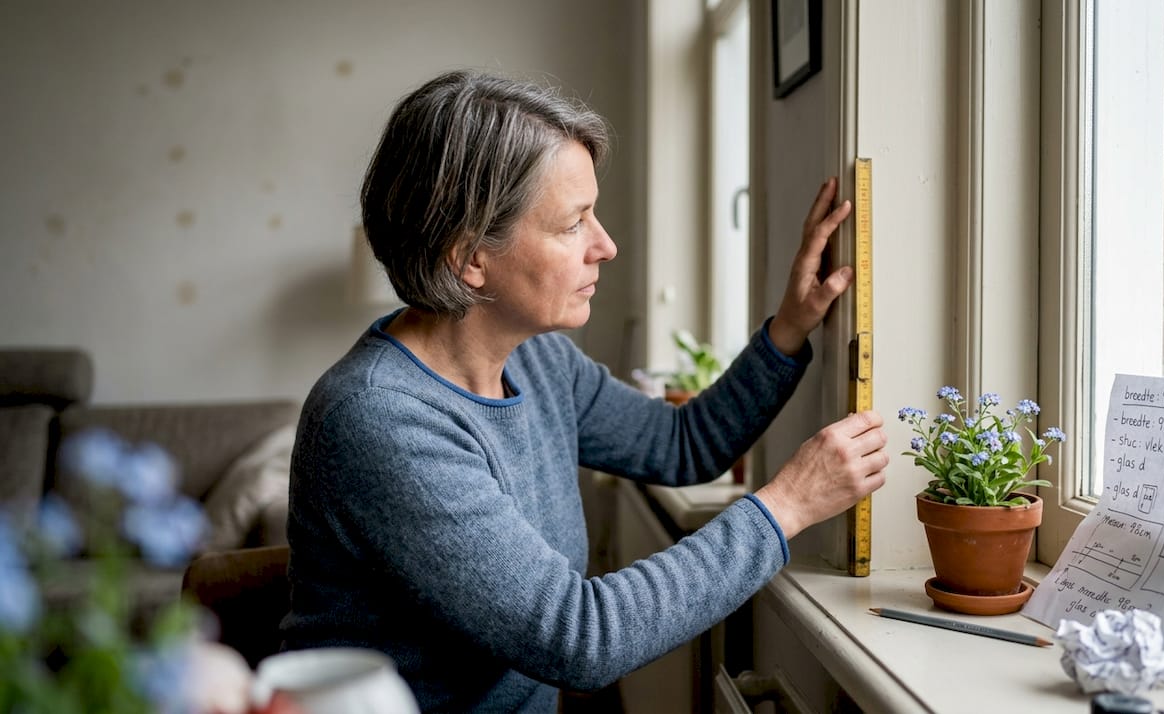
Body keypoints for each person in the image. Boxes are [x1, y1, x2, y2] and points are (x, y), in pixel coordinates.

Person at [281, 69, 888, 712]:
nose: (606, 245)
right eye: (573, 224)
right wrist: (788, 505)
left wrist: (789, 329)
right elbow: (579, 639)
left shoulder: (538, 359)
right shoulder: (380, 419)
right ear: (469, 259)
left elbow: (681, 445)